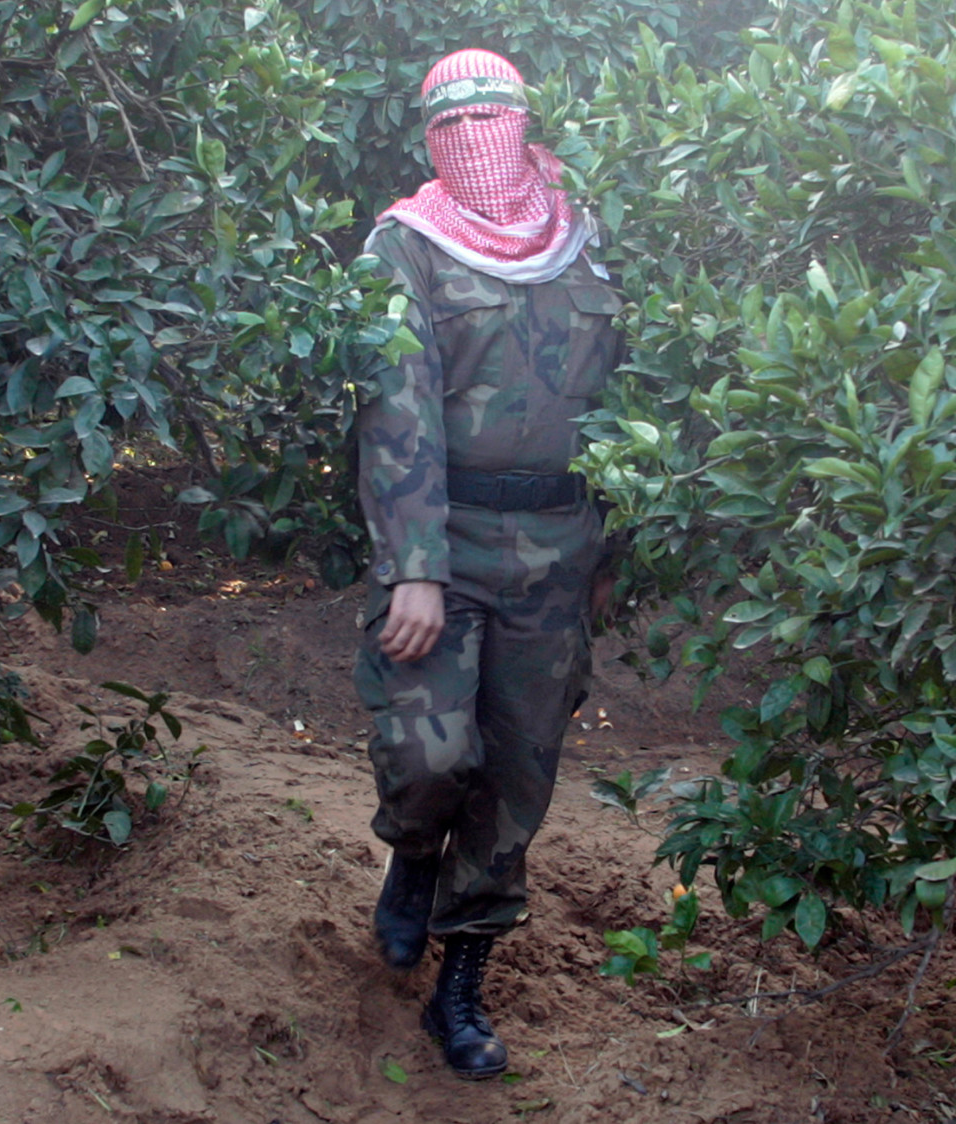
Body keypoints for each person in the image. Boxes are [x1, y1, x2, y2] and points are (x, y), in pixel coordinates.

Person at [349, 48, 624, 1081]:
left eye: (492, 119)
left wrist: (615, 549)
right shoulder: (406, 245)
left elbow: (634, 402)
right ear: (431, 138)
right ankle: (412, 854)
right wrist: (413, 565)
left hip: (558, 548)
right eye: (452, 125)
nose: (475, 143)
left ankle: (459, 985)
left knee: (516, 775)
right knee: (428, 757)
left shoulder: (588, 234)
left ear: (524, 122)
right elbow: (397, 410)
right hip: (447, 539)